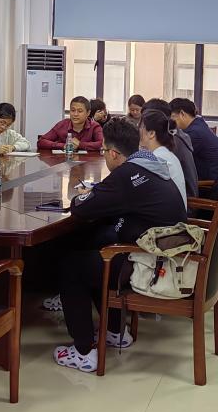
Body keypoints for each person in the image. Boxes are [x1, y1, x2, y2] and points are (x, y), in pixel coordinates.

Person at [53, 118, 186, 373]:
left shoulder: (126, 175)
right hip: (165, 255)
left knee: (73, 266)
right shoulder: (150, 164)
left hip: (149, 265)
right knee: (95, 249)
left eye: (104, 151)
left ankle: (83, 352)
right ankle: (115, 332)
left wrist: (82, 197)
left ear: (114, 153)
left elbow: (82, 208)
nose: (104, 155)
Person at [144, 98, 198, 199]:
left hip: (184, 200)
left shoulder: (170, 142)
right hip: (184, 195)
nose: (140, 128)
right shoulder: (177, 134)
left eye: (143, 123)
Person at [169, 98, 218, 182]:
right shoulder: (199, 125)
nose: (171, 123)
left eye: (172, 118)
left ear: (182, 114)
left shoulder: (194, 133)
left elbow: (173, 158)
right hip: (215, 178)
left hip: (209, 184)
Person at [139, 109, 187, 208]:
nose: (138, 130)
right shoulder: (165, 154)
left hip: (167, 216)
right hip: (173, 213)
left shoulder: (157, 159)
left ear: (151, 133)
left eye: (141, 126)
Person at [37, 96, 103, 152]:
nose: (75, 114)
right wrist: (63, 145)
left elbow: (102, 144)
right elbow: (41, 142)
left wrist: (80, 144)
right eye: (73, 110)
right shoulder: (62, 125)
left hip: (89, 162)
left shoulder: (94, 126)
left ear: (88, 113)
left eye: (80, 111)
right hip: (65, 161)